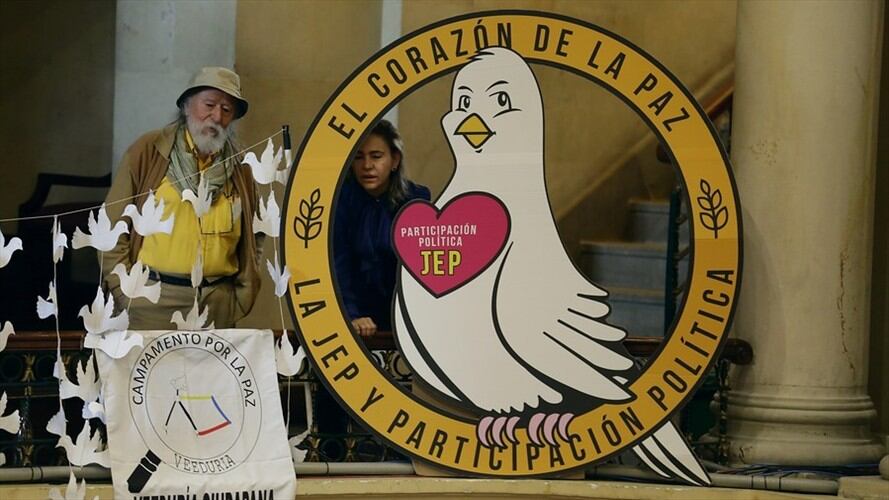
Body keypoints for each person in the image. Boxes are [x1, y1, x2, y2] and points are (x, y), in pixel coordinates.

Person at [103, 67, 261, 329]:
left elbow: (256, 233)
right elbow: (111, 225)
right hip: (150, 301)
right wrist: (124, 289)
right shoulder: (149, 150)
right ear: (187, 106)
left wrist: (242, 296)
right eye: (209, 104)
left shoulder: (241, 164)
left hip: (217, 304)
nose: (216, 117)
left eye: (226, 110)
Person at [334, 119, 430, 337]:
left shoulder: (416, 199)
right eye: (359, 157)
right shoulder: (341, 202)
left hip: (407, 314)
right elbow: (339, 263)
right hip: (356, 315)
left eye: (376, 156)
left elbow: (423, 266)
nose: (367, 165)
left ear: (394, 160)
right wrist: (351, 315)